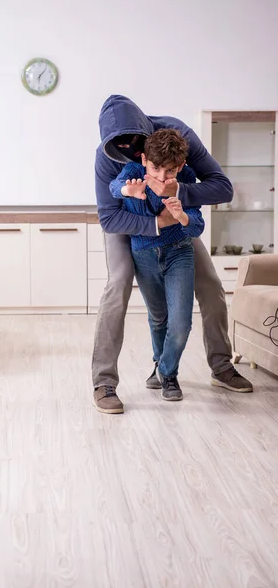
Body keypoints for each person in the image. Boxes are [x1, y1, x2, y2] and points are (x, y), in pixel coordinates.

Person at [92, 95, 253, 414]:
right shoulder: (106, 156)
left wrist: (177, 192)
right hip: (129, 223)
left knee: (209, 284)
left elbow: (222, 188)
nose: (134, 153)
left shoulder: (178, 137)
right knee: (118, 284)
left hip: (175, 221)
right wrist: (153, 222)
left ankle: (221, 366)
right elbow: (109, 217)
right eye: (125, 149)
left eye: (138, 145)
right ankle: (103, 381)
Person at [105, 128, 203, 407]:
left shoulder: (186, 179)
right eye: (156, 168)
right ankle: (162, 368)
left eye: (169, 171)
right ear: (145, 159)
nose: (161, 178)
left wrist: (181, 215)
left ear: (180, 166)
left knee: (181, 323)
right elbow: (114, 188)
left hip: (179, 253)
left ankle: (166, 371)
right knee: (158, 318)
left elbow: (197, 224)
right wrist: (129, 190)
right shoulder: (134, 170)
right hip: (144, 253)